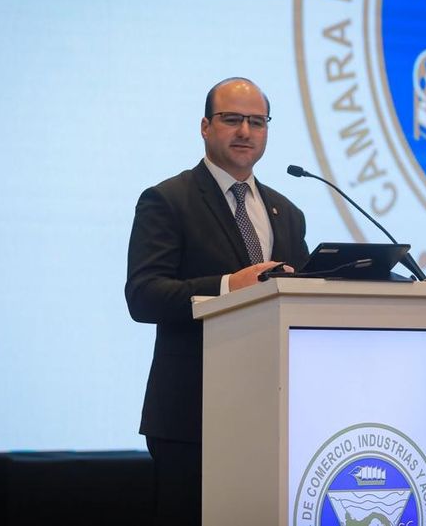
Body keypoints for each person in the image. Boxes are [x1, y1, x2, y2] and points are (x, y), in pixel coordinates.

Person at [125, 77, 309, 524]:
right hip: (192, 418)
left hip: (271, 415)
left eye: (257, 121)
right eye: (232, 119)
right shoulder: (168, 200)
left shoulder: (287, 210)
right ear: (206, 127)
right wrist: (228, 287)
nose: (245, 131)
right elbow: (144, 296)